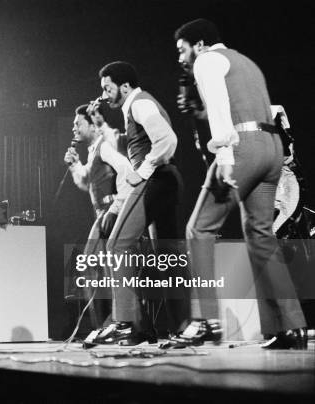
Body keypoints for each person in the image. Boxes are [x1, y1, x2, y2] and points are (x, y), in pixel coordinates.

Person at [173, 18, 307, 349]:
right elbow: (245, 106)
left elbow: (221, 107)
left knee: (199, 229)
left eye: (182, 50)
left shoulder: (205, 60)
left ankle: (206, 320)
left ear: (199, 44)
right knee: (262, 235)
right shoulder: (246, 62)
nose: (180, 58)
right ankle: (292, 327)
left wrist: (224, 156)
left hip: (241, 147)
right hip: (270, 147)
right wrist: (202, 114)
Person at [97, 61, 183, 345]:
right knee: (167, 256)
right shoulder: (136, 106)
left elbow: (168, 139)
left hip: (155, 180)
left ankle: (128, 323)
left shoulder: (139, 103)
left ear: (124, 86)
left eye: (108, 88)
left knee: (117, 244)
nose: (104, 94)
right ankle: (180, 328)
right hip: (167, 180)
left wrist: (142, 172)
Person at [64, 102, 133, 329]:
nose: (73, 128)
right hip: (103, 214)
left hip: (112, 212)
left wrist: (116, 207)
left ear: (92, 125)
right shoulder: (94, 149)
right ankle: (109, 322)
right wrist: (75, 166)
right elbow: (88, 182)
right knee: (99, 268)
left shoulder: (104, 146)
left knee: (95, 265)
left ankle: (112, 322)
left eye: (77, 124)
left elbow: (126, 170)